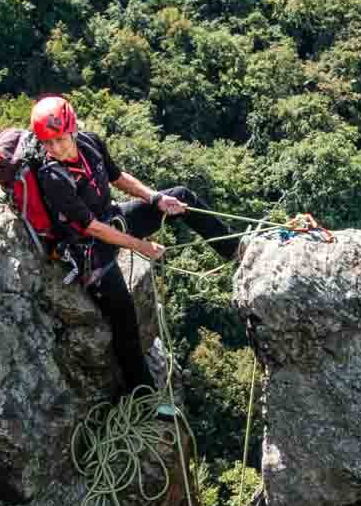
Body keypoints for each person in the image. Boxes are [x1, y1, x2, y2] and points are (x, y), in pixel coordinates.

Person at [26, 95, 240, 394]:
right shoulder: (52, 176)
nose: (56, 148)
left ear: (72, 130)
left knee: (181, 197)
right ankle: (144, 394)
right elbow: (91, 227)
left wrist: (155, 198)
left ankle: (235, 250)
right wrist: (140, 246)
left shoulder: (90, 143)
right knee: (124, 316)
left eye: (60, 139)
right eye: (48, 143)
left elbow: (117, 177)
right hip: (89, 249)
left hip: (112, 218)